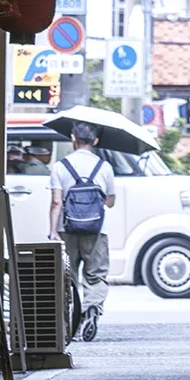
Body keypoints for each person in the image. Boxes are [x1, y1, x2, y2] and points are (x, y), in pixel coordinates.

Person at [48, 121, 115, 341]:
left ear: (73, 139)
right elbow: (110, 202)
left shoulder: (60, 166)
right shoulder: (104, 167)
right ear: (95, 141)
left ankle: (72, 327)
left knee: (68, 279)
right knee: (96, 276)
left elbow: (57, 202)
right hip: (96, 230)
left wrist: (52, 231)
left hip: (66, 229)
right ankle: (92, 310)